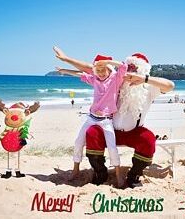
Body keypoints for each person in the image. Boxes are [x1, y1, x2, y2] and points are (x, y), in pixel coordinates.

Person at [53, 46, 175, 187]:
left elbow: (170, 85)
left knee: (147, 139)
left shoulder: (149, 88)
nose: (131, 71)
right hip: (109, 127)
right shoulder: (118, 79)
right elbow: (90, 68)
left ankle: (134, 174)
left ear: (143, 71)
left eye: (135, 68)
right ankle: (100, 172)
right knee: (92, 133)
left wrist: (143, 79)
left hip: (133, 132)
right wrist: (66, 59)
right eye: (129, 67)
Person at [55, 55, 130, 185]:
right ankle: (75, 169)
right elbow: (80, 74)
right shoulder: (94, 79)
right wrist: (64, 71)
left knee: (112, 148)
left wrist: (107, 61)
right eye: (98, 71)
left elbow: (124, 66)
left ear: (109, 69)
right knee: (78, 142)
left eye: (103, 70)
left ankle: (118, 174)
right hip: (91, 118)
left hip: (106, 120)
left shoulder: (115, 79)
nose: (101, 73)